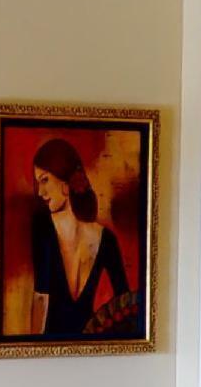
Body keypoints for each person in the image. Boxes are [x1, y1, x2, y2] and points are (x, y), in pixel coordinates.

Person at [27, 137, 132, 338]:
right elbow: (125, 304)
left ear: (65, 182)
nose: (40, 192)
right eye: (38, 182)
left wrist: (32, 349)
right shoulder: (106, 238)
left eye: (45, 180)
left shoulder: (42, 229)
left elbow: (41, 299)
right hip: (88, 345)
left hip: (51, 347)